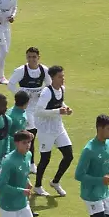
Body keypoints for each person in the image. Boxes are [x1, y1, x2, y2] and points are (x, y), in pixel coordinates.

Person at [34, 65, 74, 197]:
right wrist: (58, 111)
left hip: (58, 127)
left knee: (69, 156)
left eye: (63, 76)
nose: (63, 79)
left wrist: (66, 108)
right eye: (60, 76)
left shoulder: (62, 89)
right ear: (52, 78)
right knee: (45, 159)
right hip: (46, 130)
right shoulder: (46, 92)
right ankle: (38, 186)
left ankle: (55, 182)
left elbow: (60, 102)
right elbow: (38, 112)